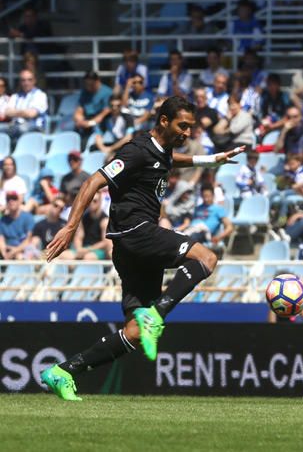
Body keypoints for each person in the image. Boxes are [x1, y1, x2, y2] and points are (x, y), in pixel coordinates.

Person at [41, 96, 245, 401]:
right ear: (164, 121)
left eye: (190, 127)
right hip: (135, 232)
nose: (188, 132)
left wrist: (210, 159)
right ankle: (158, 313)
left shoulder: (162, 151)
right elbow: (93, 181)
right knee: (206, 257)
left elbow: (168, 161)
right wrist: (70, 227)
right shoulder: (136, 150)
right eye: (183, 125)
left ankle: (63, 372)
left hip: (128, 246)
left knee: (134, 334)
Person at [60, 191, 111, 260]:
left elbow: (106, 242)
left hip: (99, 251)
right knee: (64, 255)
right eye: (89, 201)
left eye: (94, 201)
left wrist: (88, 249)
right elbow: (79, 237)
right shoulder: (83, 218)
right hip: (84, 249)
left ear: (100, 202)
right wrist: (79, 249)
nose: (91, 203)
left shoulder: (105, 220)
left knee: (88, 257)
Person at [3, 69, 48, 137]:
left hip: (35, 127)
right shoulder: (15, 96)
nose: (26, 83)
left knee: (21, 129)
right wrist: (24, 112)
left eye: (29, 80)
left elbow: (31, 114)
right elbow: (7, 112)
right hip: (15, 126)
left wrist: (15, 112)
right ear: (20, 82)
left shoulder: (41, 95)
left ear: (34, 81)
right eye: (23, 80)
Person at [0, 191, 34, 260]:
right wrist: (4, 253)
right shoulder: (2, 221)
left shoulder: (28, 217)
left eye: (14, 199)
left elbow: (28, 240)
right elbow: (1, 240)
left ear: (19, 201)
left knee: (21, 256)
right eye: (8, 199)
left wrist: (14, 251)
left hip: (24, 250)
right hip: (8, 251)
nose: (11, 201)